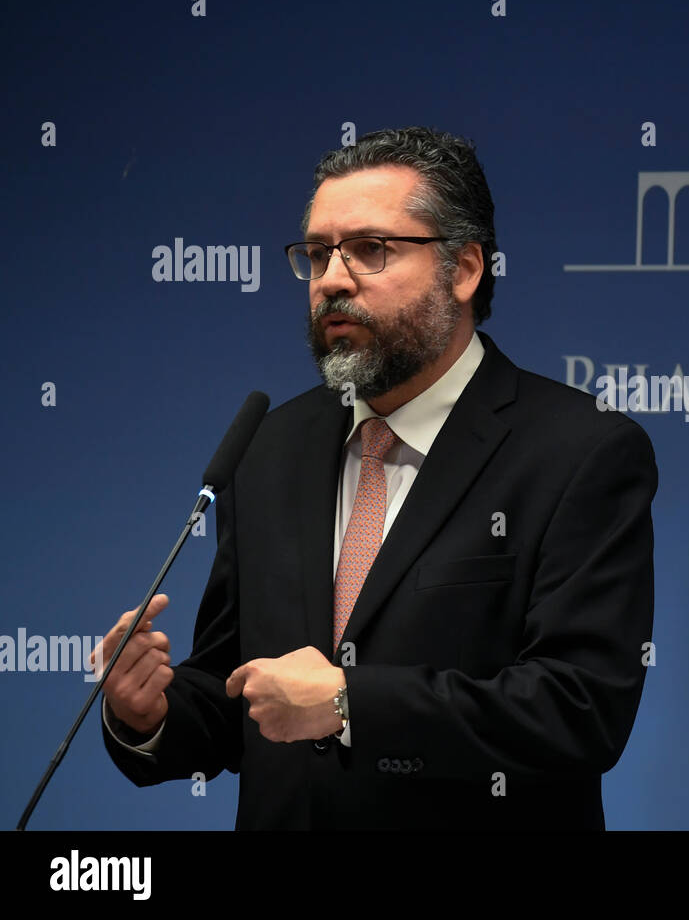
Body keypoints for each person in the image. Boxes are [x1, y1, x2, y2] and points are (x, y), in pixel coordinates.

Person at [96, 126, 658, 830]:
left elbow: (579, 709)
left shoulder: (580, 450)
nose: (332, 278)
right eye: (317, 253)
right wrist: (150, 711)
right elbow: (238, 691)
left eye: (369, 249)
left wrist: (347, 704)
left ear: (464, 269)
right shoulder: (271, 447)